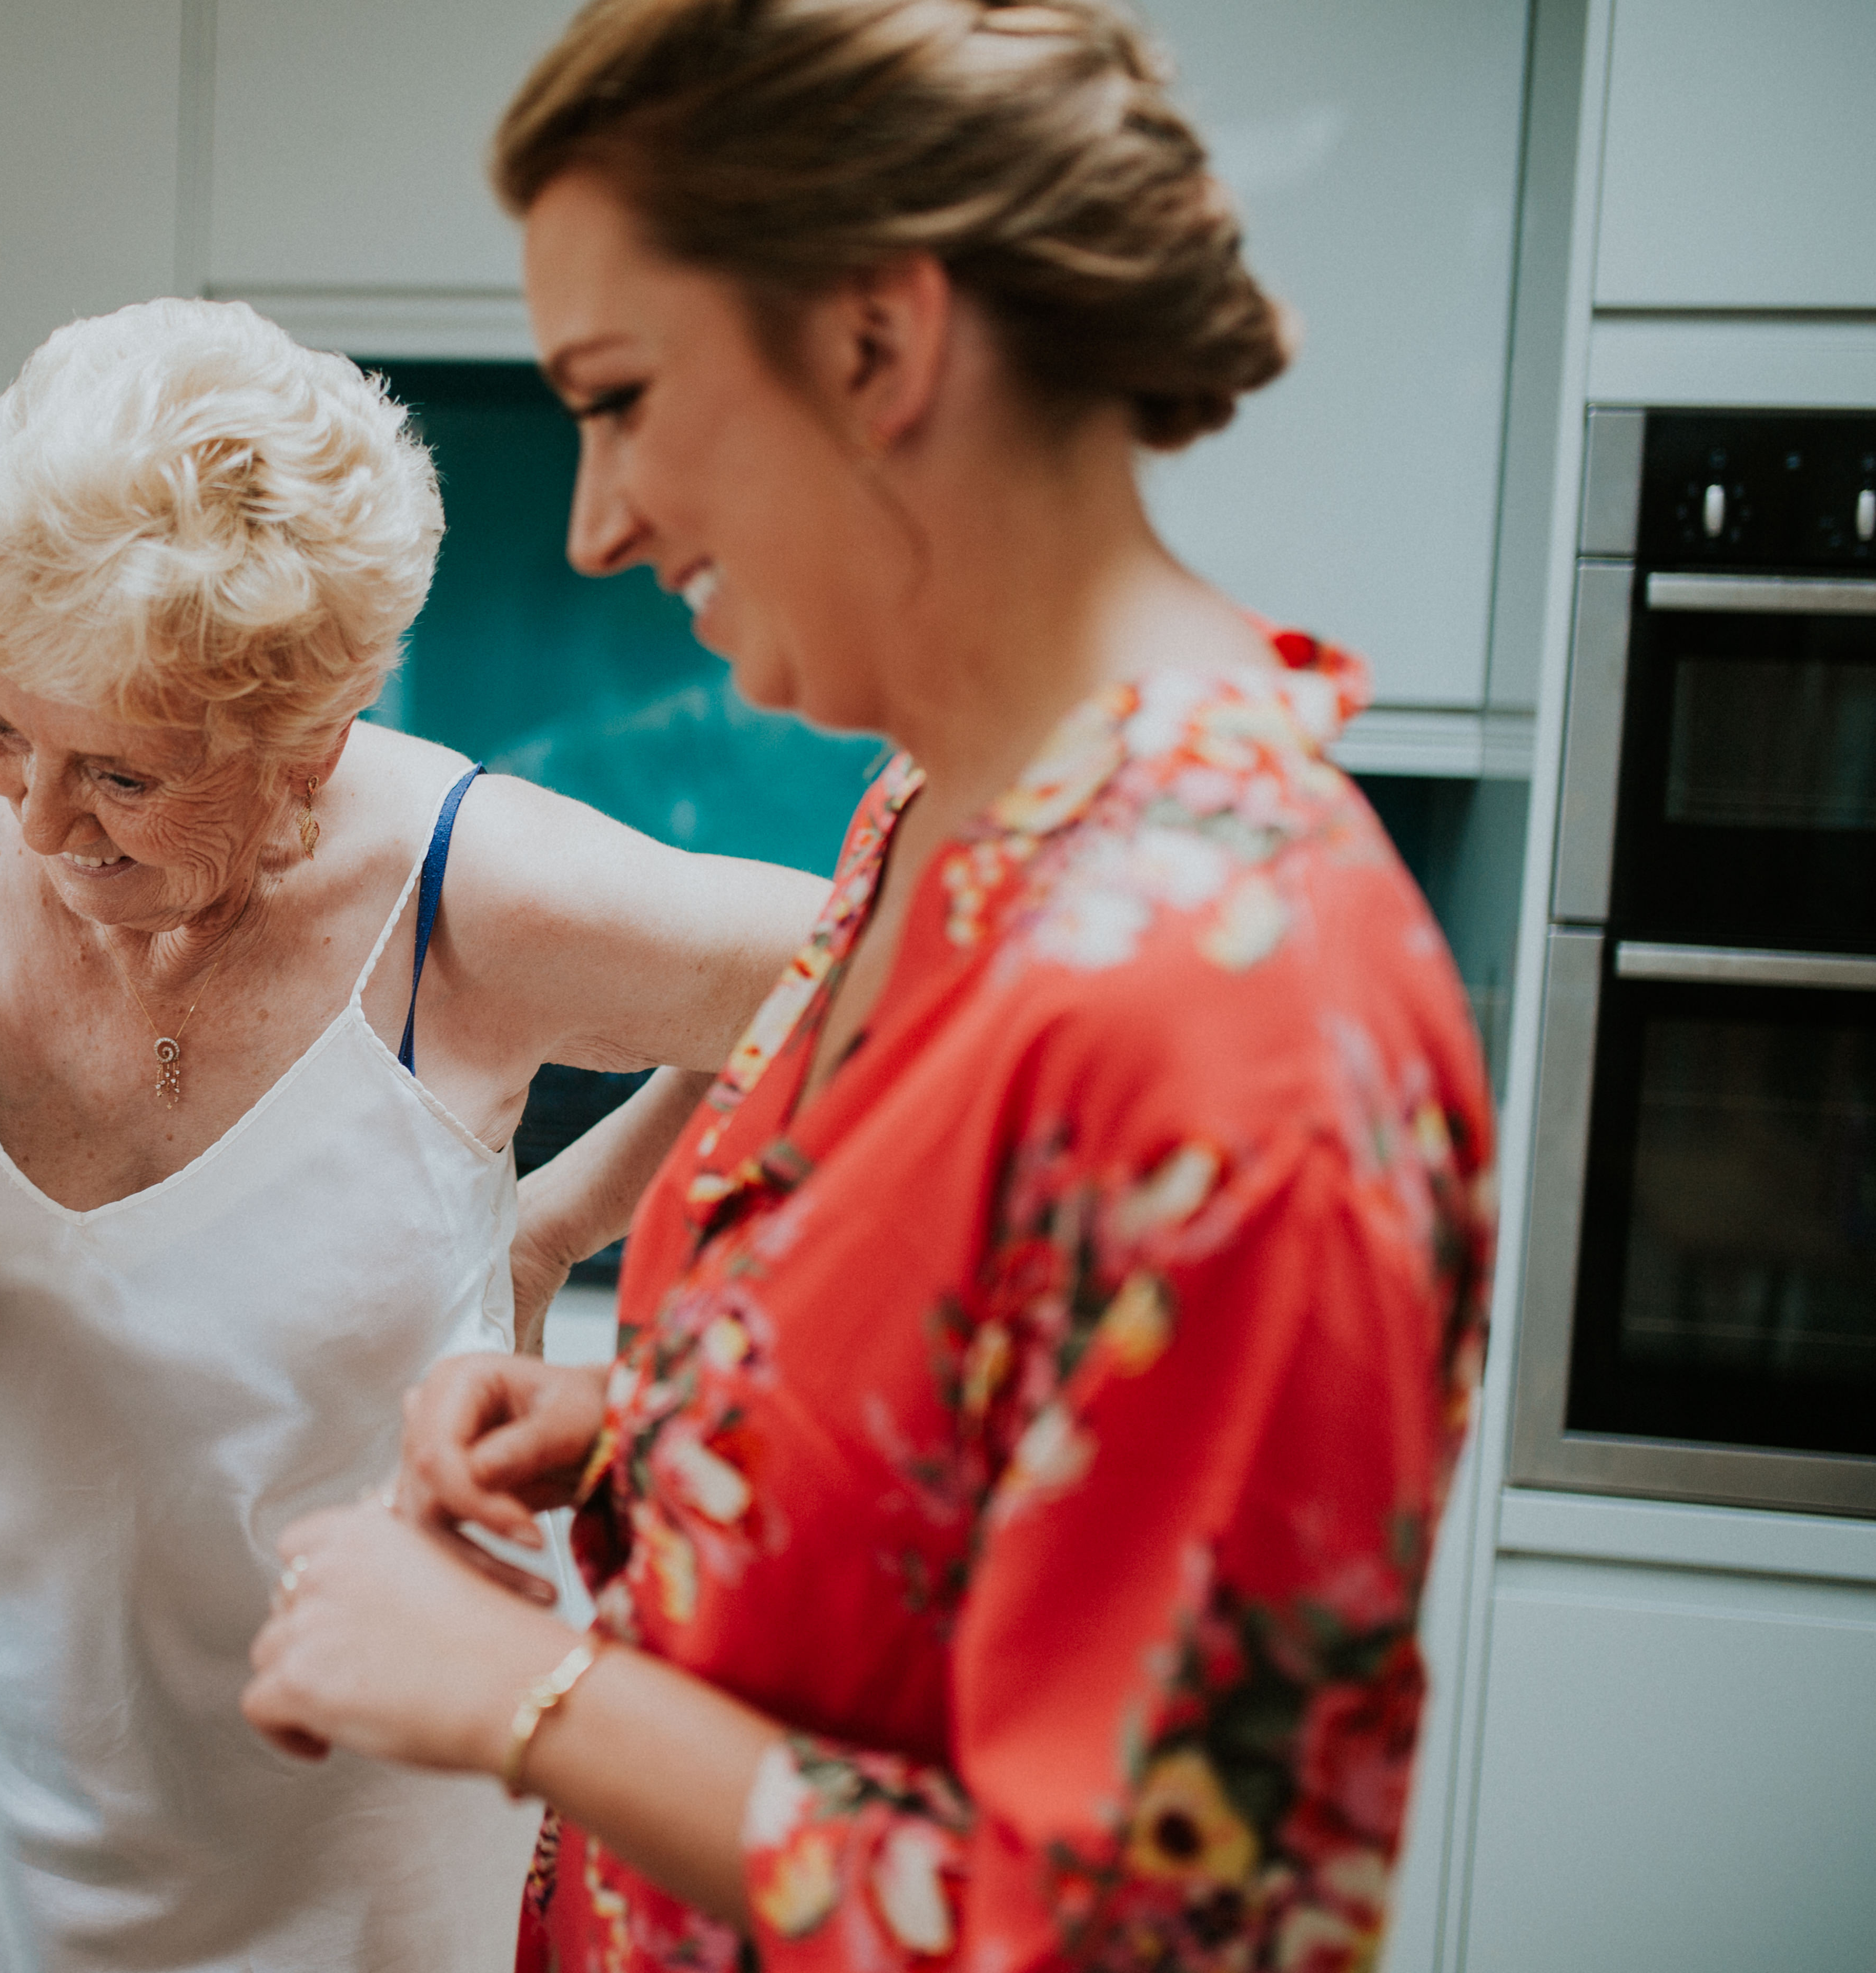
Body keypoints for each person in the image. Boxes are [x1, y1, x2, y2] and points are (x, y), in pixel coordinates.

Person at [239, 4, 1497, 1969]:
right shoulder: (938, 807)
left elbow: (1133, 1938)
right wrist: (644, 1430)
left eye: (622, 396)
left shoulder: (1236, 1019)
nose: (596, 522)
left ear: (878, 345)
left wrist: (521, 1693)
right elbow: (976, 1430)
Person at [0, 296, 828, 1971]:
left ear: (309, 753)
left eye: (125, 779)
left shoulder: (473, 902)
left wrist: (560, 1225)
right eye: (5, 725)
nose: (40, 818)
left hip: (361, 1845)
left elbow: (872, 967)